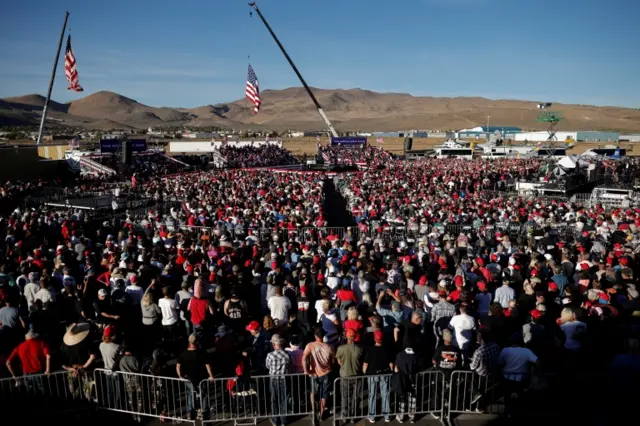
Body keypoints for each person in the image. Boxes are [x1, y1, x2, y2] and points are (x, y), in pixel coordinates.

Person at [177, 333, 215, 418]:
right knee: (203, 394)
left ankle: (191, 411)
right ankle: (205, 412)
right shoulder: (202, 352)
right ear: (197, 342)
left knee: (190, 394)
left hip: (188, 378)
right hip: (201, 378)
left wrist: (180, 376)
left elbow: (178, 366)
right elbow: (207, 365)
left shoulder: (183, 354)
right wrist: (211, 375)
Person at [302, 326, 335, 423]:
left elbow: (304, 358)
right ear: (323, 335)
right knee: (324, 395)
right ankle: (321, 414)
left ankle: (313, 412)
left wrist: (306, 370)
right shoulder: (329, 347)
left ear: (315, 335)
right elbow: (333, 360)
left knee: (313, 392)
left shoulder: (310, 345)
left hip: (314, 373)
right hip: (327, 373)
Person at [363, 330, 393, 423]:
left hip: (372, 375)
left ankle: (372, 415)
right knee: (385, 394)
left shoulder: (370, 349)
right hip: (384, 374)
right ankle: (387, 415)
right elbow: (391, 364)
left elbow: (365, 364)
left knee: (372, 395)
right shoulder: (387, 349)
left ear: (374, 339)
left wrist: (365, 373)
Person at [336, 328, 363, 422]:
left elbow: (339, 362)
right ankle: (353, 416)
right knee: (356, 397)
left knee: (345, 396)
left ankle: (345, 415)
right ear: (355, 337)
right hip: (356, 375)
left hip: (345, 375)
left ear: (346, 336)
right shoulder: (359, 349)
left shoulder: (340, 348)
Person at [265, 334, 291, 426]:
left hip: (273, 379)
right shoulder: (287, 355)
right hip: (284, 379)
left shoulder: (270, 355)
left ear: (273, 344)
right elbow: (290, 365)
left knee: (274, 399)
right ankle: (284, 420)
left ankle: (275, 420)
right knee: (284, 400)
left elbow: (267, 366)